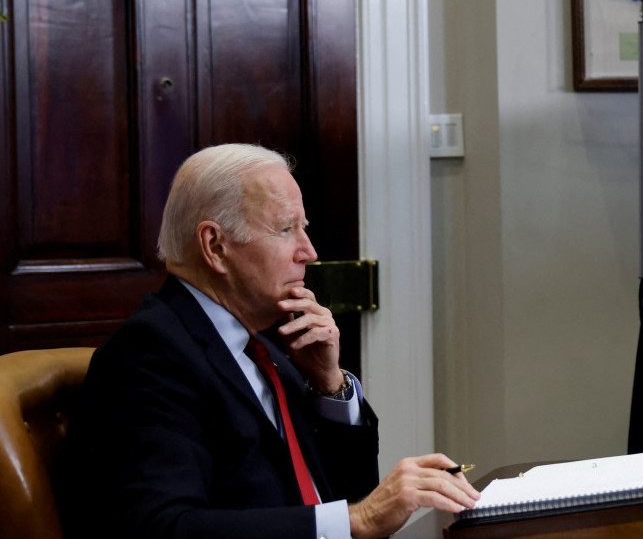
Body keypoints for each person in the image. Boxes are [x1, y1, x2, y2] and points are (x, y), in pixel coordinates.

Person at [63, 144, 479, 539]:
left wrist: (329, 385)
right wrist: (361, 519)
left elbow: (344, 499)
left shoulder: (271, 345)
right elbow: (164, 529)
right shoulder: (150, 353)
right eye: (286, 229)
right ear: (216, 246)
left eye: (305, 229)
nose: (310, 252)